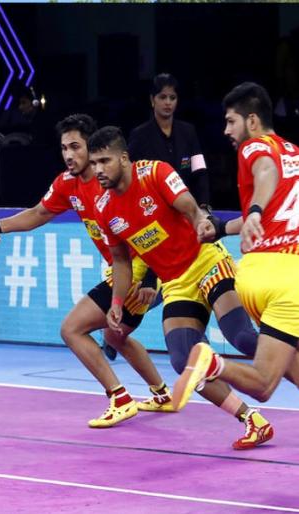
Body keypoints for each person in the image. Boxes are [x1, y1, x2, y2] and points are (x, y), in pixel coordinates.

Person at [0, 114, 173, 428]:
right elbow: (38, 213)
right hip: (120, 269)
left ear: (92, 147)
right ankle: (162, 394)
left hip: (139, 268)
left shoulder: (113, 181)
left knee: (72, 329)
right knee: (115, 335)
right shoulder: (68, 183)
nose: (68, 154)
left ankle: (120, 398)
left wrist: (150, 276)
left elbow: (154, 225)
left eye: (76, 147)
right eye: (64, 148)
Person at [89, 126, 275, 449]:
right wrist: (117, 302)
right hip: (175, 283)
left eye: (104, 161)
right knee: (183, 360)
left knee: (241, 337)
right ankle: (252, 420)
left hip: (206, 261)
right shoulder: (104, 208)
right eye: (94, 163)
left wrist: (201, 222)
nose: (98, 170)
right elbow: (120, 261)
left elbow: (189, 206)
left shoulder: (155, 173)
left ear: (124, 158)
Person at [173, 82, 299, 412]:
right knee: (263, 384)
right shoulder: (289, 153)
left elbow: (266, 177)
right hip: (288, 279)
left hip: (256, 274)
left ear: (252, 120)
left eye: (231, 121)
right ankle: (212, 363)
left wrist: (222, 228)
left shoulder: (253, 146)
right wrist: (255, 211)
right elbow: (267, 172)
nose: (226, 130)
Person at [128, 73, 210, 205]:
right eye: (162, 97)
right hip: (153, 207)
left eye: (172, 97)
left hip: (187, 206)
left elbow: (200, 171)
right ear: (152, 100)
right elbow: (132, 178)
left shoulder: (189, 131)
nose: (168, 102)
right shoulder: (139, 136)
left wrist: (204, 205)